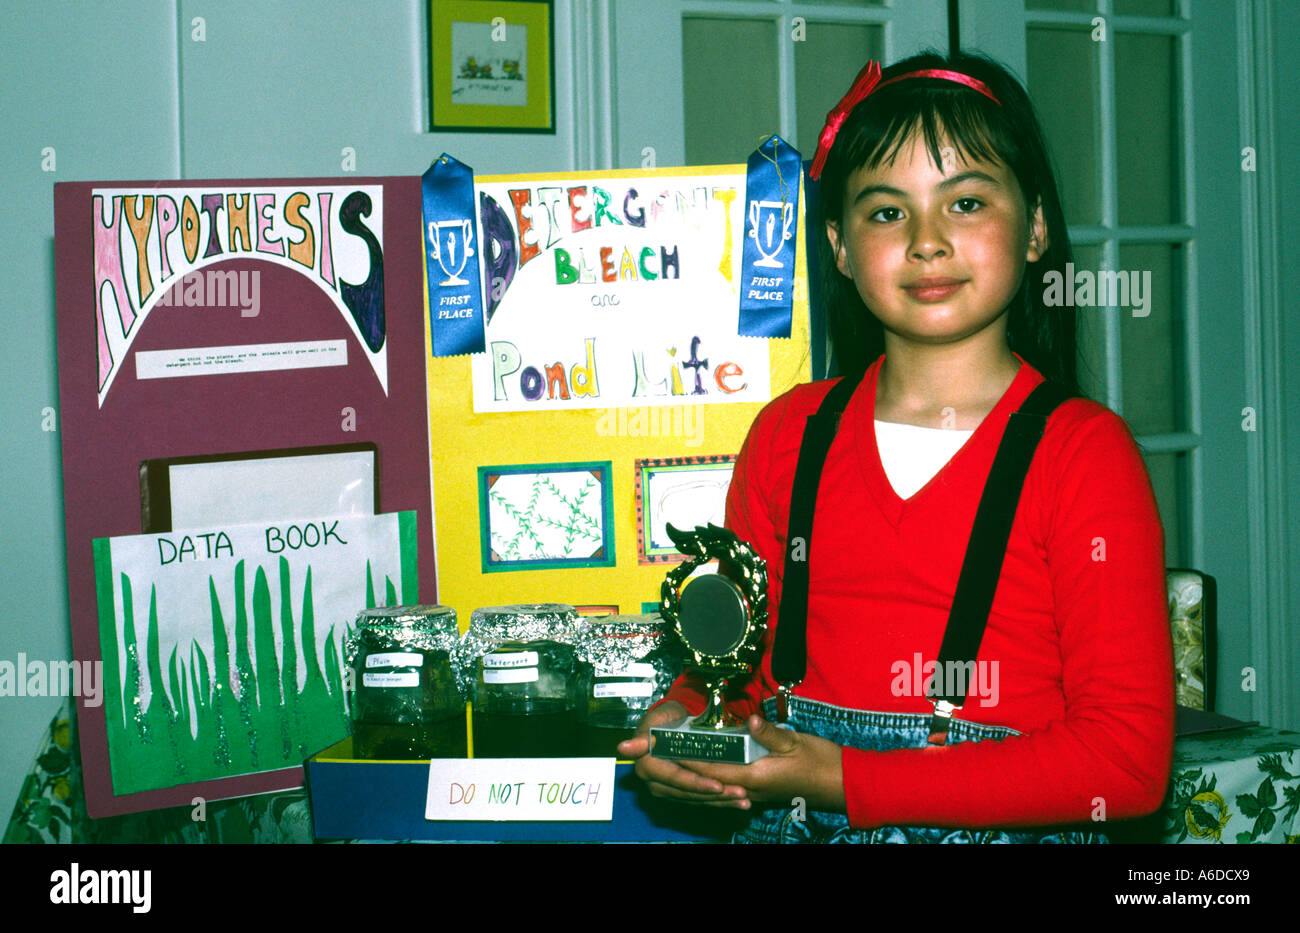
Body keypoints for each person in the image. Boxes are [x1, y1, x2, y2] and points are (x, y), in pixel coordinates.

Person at [617, 50, 1175, 843]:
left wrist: (846, 778)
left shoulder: (1080, 454)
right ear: (840, 248)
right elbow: (741, 678)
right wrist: (692, 724)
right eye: (887, 212)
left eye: (967, 202)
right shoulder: (786, 437)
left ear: (1038, 227)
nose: (926, 241)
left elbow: (1125, 763)